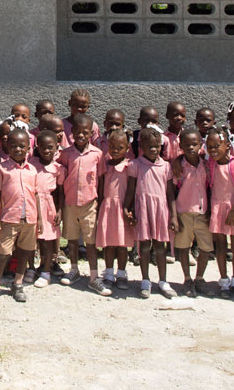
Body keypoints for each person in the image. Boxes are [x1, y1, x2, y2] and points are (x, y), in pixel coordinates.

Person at [0, 129, 39, 305]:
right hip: (9, 218)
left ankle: (18, 283)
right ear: (7, 146)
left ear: (28, 148)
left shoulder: (32, 170)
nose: (17, 149)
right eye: (13, 146)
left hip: (29, 219)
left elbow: (36, 195)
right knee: (3, 253)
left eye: (22, 146)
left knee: (24, 252)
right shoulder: (1, 169)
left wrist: (41, 219)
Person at [126, 128, 176, 299]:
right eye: (149, 147)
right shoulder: (135, 165)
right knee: (145, 246)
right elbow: (131, 189)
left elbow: (170, 193)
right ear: (141, 146)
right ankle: (145, 280)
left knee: (160, 247)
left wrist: (174, 215)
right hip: (143, 209)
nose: (154, 150)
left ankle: (163, 281)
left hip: (161, 210)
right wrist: (127, 208)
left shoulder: (166, 166)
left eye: (157, 146)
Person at [57, 114, 103, 289]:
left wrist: (100, 202)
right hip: (70, 203)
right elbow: (61, 182)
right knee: (72, 239)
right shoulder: (66, 154)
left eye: (85, 132)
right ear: (72, 133)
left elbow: (101, 180)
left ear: (91, 133)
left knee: (90, 242)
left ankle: (94, 276)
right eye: (77, 132)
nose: (81, 136)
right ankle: (74, 269)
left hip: (90, 204)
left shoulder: (97, 154)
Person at [204, 127, 234, 297]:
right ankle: (223, 281)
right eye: (210, 146)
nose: (213, 149)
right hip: (217, 208)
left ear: (227, 146)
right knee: (220, 246)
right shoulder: (211, 165)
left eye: (217, 145)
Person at [172, 129, 213, 297]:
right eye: (187, 144)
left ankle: (200, 278)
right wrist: (174, 215)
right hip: (184, 213)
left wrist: (211, 211)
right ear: (180, 146)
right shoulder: (178, 166)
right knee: (183, 247)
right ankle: (187, 279)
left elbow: (211, 187)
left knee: (205, 248)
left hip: (203, 213)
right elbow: (172, 191)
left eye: (194, 144)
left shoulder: (206, 164)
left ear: (201, 145)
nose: (191, 147)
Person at [95, 129, 134, 295]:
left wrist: (128, 207)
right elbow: (101, 185)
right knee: (109, 242)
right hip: (108, 207)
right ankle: (109, 272)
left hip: (122, 207)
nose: (115, 149)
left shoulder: (128, 166)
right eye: (112, 146)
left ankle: (122, 274)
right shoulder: (105, 164)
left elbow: (132, 188)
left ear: (127, 148)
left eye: (120, 147)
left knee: (122, 244)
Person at [30, 130, 64, 288]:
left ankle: (46, 271)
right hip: (33, 204)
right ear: (37, 146)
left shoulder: (58, 168)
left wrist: (60, 211)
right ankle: (37, 267)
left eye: (50, 147)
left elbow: (60, 192)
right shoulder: (32, 164)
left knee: (48, 240)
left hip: (49, 206)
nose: (46, 150)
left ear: (57, 147)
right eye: (43, 147)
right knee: (36, 238)